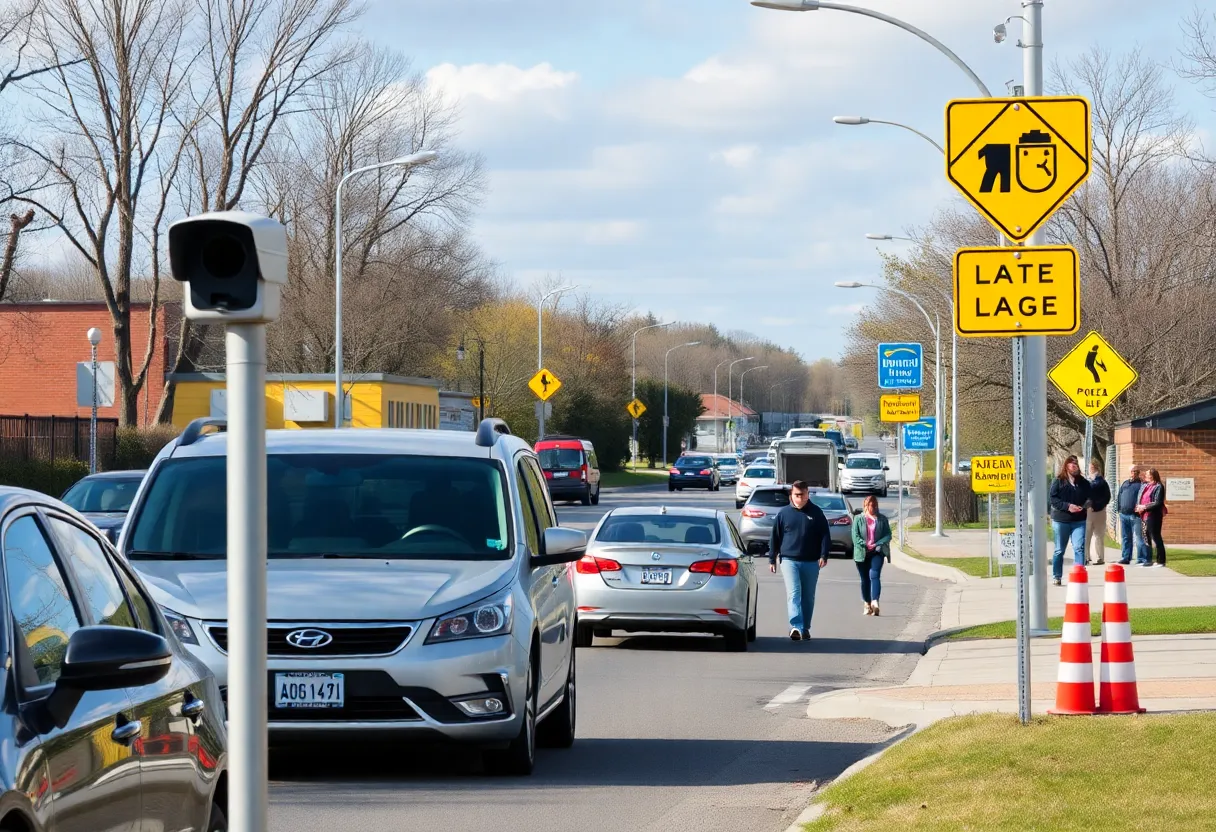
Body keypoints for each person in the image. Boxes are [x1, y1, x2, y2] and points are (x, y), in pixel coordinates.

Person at [769, 480, 830, 641]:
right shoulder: (783, 514)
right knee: (794, 593)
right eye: (797, 495)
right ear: (792, 495)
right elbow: (775, 537)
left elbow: (825, 535)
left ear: (808, 494)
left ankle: (805, 627)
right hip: (789, 560)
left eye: (803, 495)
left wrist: (824, 555)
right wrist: (771, 558)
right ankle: (795, 626)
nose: (800, 498)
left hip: (811, 561)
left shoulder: (816, 513)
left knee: (808, 596)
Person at [1049, 455, 1091, 586]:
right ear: (1066, 466)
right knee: (1059, 550)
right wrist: (1068, 506)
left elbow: (1090, 497)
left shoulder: (1083, 482)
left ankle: (1078, 575)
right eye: (1073, 465)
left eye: (1077, 465)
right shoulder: (1059, 481)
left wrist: (1083, 506)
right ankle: (1057, 576)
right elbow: (1053, 499)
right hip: (1061, 520)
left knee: (1079, 548)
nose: (1075, 467)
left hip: (1079, 521)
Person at [850, 495, 891, 617]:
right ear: (865, 506)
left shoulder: (882, 519)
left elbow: (888, 534)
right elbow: (855, 536)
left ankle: (875, 602)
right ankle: (867, 603)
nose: (872, 508)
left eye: (874, 506)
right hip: (862, 552)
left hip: (877, 552)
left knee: (874, 574)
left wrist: (878, 544)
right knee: (865, 579)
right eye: (870, 506)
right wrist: (865, 544)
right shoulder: (858, 519)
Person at [1136, 468, 1167, 568]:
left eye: (1148, 474)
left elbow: (1158, 502)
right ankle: (1148, 559)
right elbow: (1141, 498)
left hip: (1154, 515)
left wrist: (1144, 507)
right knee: (1146, 537)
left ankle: (1161, 560)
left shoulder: (1158, 486)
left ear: (1153, 475)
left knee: (1156, 537)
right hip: (1144, 515)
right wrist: (1139, 507)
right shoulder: (1146, 486)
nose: (1145, 475)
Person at [1116, 465, 1145, 565]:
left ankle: (1141, 558)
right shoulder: (1125, 483)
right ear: (1130, 472)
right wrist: (1118, 509)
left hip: (1135, 516)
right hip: (1123, 515)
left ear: (1139, 473)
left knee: (1138, 538)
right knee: (1125, 537)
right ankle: (1126, 557)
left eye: (1136, 471)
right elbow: (1119, 495)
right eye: (1132, 471)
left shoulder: (1141, 484)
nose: (1134, 473)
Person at [1085, 460, 1111, 565]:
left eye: (1092, 467)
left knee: (1099, 536)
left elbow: (1107, 497)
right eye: (1090, 468)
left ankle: (1099, 557)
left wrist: (1096, 506)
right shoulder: (1085, 482)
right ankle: (1086, 557)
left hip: (1099, 512)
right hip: (1087, 512)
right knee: (1086, 536)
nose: (1091, 469)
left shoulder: (1102, 482)